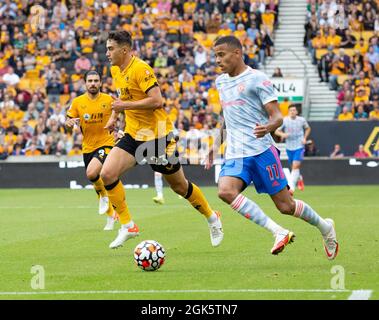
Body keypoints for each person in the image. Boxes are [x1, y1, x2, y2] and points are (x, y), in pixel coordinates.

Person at [206, 36, 338, 259]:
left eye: (221, 54)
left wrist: (268, 127)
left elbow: (277, 116)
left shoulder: (258, 79)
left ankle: (325, 227)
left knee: (286, 206)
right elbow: (225, 117)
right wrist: (215, 144)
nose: (217, 60)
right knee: (225, 191)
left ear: (237, 53)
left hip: (262, 151)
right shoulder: (221, 82)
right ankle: (278, 232)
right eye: (215, 55)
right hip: (236, 153)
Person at [101, 30, 223, 249]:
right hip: (133, 134)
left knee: (179, 186)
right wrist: (113, 117)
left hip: (156, 137)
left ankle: (212, 217)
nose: (107, 53)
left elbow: (157, 101)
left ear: (125, 49)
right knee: (107, 174)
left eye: (111, 48)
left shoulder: (141, 69)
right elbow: (123, 98)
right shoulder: (115, 70)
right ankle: (128, 225)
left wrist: (123, 107)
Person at [65, 70, 118, 231]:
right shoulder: (78, 102)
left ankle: (104, 197)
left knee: (92, 173)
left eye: (96, 80)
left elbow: (120, 109)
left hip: (107, 143)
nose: (93, 83)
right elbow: (69, 120)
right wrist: (68, 123)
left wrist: (117, 124)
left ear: (100, 83)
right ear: (85, 83)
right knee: (96, 178)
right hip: (88, 147)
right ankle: (111, 216)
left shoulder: (109, 99)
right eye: (90, 81)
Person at [275, 105, 311, 192]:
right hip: (289, 147)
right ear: (288, 112)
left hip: (299, 146)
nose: (292, 112)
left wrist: (305, 138)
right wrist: (283, 135)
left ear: (297, 112)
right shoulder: (285, 120)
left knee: (295, 166)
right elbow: (276, 131)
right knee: (294, 167)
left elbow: (308, 128)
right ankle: (299, 178)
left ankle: (291, 188)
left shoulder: (301, 120)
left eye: (294, 110)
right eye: (291, 110)